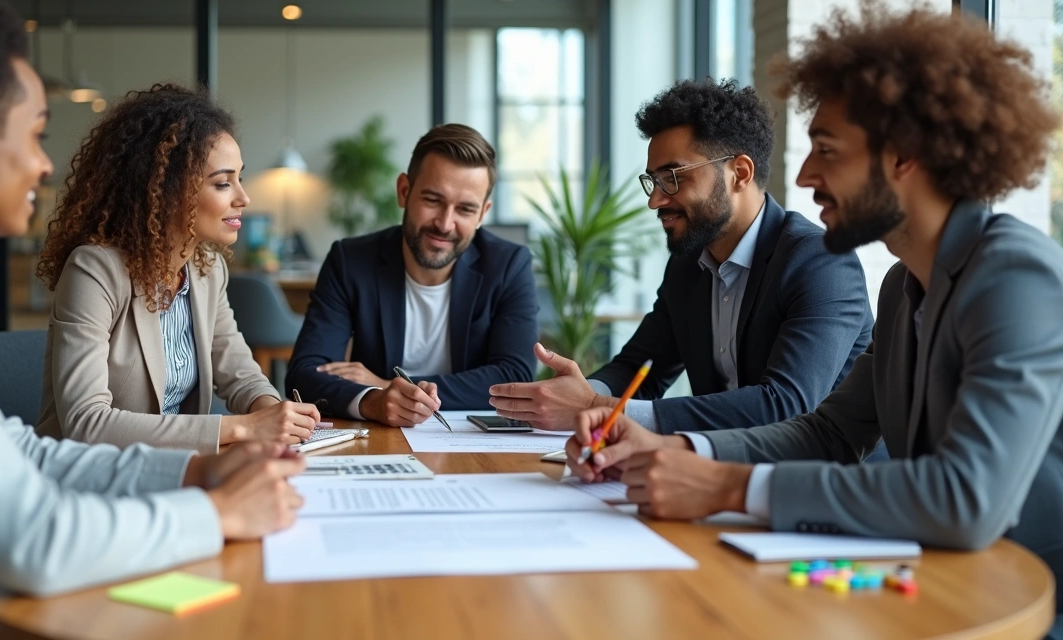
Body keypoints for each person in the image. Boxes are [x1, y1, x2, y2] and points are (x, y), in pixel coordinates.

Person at [565, 4, 1063, 636]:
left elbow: (966, 500)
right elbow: (828, 433)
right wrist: (675, 451)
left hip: (1021, 604)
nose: (804, 175)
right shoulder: (904, 286)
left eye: (826, 150)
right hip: (935, 584)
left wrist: (726, 487)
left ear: (904, 156)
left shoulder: (1016, 275)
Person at [0, 2, 304, 637]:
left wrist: (194, 469)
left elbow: (16, 449)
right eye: (35, 133)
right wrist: (216, 511)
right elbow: (32, 542)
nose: (43, 163)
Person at [490, 79, 874, 438]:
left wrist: (599, 409)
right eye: (653, 181)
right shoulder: (690, 263)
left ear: (739, 173)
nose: (655, 200)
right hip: (722, 472)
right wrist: (571, 393)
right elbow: (641, 367)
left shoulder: (819, 261)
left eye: (673, 177)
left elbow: (784, 406)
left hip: (828, 490)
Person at [34, 84, 320, 453]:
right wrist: (244, 428)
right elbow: (86, 422)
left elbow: (239, 372)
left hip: (173, 471)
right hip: (90, 481)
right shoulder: (94, 271)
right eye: (222, 183)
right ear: (167, 190)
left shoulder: (207, 270)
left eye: (240, 178)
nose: (243, 198)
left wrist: (273, 414)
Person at [285, 124, 538, 426]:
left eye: (465, 210)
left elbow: (515, 376)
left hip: (471, 437)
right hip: (379, 434)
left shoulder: (510, 265)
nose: (445, 224)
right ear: (404, 191)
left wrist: (386, 384)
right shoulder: (350, 260)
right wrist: (372, 400)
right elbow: (304, 376)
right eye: (433, 200)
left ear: (483, 214)